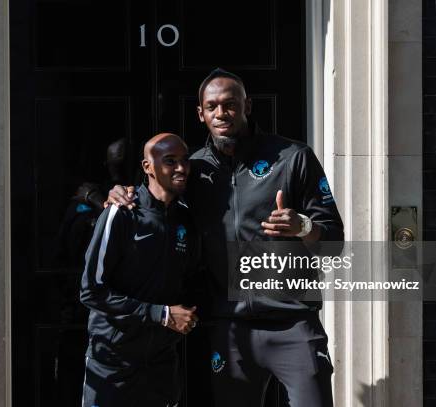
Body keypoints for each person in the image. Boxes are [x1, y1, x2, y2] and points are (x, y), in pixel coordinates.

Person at [108, 69, 344, 407]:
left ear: (247, 106)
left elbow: (334, 241)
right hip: (229, 328)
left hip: (293, 323)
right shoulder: (192, 170)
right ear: (200, 113)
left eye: (230, 105)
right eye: (212, 106)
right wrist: (117, 193)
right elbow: (152, 203)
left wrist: (302, 226)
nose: (222, 114)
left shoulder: (293, 158)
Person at [80, 133, 200, 407]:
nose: (181, 168)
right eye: (170, 161)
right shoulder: (122, 213)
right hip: (113, 361)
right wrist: (162, 314)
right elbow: (91, 291)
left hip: (161, 364)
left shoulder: (186, 218)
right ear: (148, 167)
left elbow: (191, 280)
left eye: (184, 161)